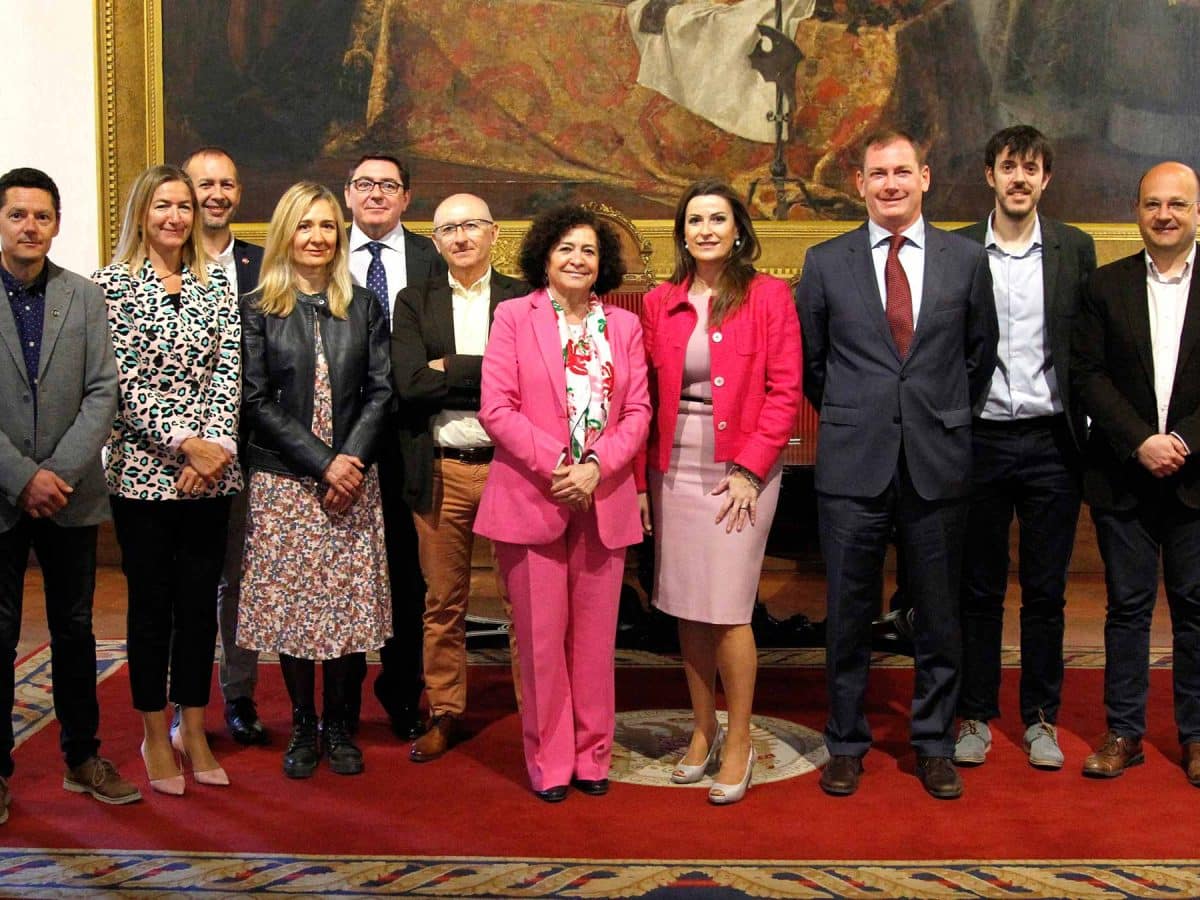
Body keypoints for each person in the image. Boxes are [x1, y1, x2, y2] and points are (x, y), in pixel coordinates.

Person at [795, 130, 998, 800]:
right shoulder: (824, 263)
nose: (890, 184)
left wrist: (934, 417)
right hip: (854, 465)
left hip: (938, 463)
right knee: (848, 615)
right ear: (859, 183)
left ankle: (934, 743)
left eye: (902, 172)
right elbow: (813, 367)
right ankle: (847, 744)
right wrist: (865, 414)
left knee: (938, 615)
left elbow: (979, 354)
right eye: (877, 173)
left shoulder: (966, 260)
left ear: (926, 178)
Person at [474, 205, 651, 802]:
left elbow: (639, 413)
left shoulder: (622, 327)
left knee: (596, 644)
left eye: (589, 252)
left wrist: (596, 468)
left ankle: (592, 755)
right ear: (544, 258)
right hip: (534, 496)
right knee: (542, 642)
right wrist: (561, 467)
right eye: (566, 249)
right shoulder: (513, 317)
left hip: (604, 499)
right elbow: (496, 409)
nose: (578, 260)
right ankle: (550, 761)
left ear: (603, 265)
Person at [636, 180, 801, 804]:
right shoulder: (659, 303)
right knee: (685, 604)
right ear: (682, 232)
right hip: (673, 468)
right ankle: (701, 731)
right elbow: (643, 399)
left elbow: (786, 392)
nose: (706, 229)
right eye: (695, 220)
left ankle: (738, 740)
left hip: (741, 470)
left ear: (738, 230)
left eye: (718, 219)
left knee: (729, 607)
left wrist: (751, 470)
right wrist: (641, 484)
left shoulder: (768, 296)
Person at [93, 164, 241, 796]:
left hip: (211, 478)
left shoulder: (218, 288)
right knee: (153, 607)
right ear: (141, 214)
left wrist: (218, 448)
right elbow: (124, 386)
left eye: (183, 205)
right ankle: (154, 730)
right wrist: (186, 445)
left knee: (198, 607)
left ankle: (194, 725)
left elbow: (229, 374)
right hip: (143, 476)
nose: (176, 216)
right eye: (163, 206)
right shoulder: (108, 287)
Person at [237, 182, 392, 779]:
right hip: (287, 481)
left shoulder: (364, 304)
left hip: (354, 479)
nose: (317, 237)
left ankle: (340, 725)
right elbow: (254, 400)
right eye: (305, 225)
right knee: (297, 611)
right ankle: (303, 723)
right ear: (286, 232)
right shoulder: (258, 307)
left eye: (328, 226)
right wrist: (321, 461)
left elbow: (381, 391)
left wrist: (348, 462)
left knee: (349, 608)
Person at [953, 126, 1097, 770]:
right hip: (979, 439)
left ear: (1046, 179)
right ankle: (976, 714)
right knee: (977, 589)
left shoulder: (1075, 249)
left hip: (1051, 443)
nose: (1019, 178)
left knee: (1045, 590)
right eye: (1008, 166)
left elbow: (1088, 348)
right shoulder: (956, 251)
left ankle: (1041, 717)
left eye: (1030, 168)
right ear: (990, 175)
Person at [0, 167, 140, 819]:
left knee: (75, 630)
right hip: (3, 495)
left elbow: (104, 391)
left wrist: (56, 471)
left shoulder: (84, 296)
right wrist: (22, 476)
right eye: (18, 214)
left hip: (72, 495)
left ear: (58, 223)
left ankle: (83, 758)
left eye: (43, 216)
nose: (31, 226)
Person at [1072, 161, 1200, 785]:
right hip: (1124, 473)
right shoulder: (1105, 286)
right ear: (1138, 211)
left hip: (1196, 476)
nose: (1165, 215)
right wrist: (1141, 442)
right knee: (1126, 606)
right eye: (1154, 204)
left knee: (1196, 608)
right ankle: (1124, 732)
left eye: (1178, 204)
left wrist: (1180, 442)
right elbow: (1087, 376)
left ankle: (1197, 736)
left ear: (1196, 213)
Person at [391, 193, 528, 762]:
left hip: (512, 472)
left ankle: (537, 714)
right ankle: (446, 712)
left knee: (525, 603)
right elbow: (411, 385)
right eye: (448, 229)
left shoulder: (522, 299)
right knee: (443, 602)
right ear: (436, 239)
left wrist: (452, 369)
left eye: (472, 225)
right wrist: (490, 374)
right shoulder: (413, 300)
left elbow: (529, 385)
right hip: (442, 472)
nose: (461, 237)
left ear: (494, 232)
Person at [343, 153, 443, 739]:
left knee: (409, 573)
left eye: (389, 186)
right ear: (348, 194)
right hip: (344, 435)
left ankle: (403, 690)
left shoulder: (433, 258)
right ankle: (343, 696)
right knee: (349, 568)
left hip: (415, 433)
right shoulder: (324, 249)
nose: (376, 195)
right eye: (365, 185)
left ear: (407, 197)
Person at [180, 146, 267, 746]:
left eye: (226, 184)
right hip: (175, 458)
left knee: (238, 578)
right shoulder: (158, 261)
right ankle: (175, 705)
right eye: (203, 184)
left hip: (249, 450)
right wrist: (191, 445)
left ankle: (238, 696)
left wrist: (228, 445)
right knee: (180, 584)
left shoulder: (264, 265)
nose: (215, 194)